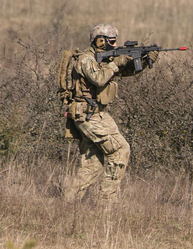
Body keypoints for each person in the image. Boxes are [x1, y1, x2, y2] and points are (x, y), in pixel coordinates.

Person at [63, 23, 158, 203]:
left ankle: (70, 201)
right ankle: (107, 199)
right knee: (121, 149)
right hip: (88, 113)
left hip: (93, 113)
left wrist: (144, 61)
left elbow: (122, 72)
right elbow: (100, 79)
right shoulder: (86, 59)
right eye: (112, 42)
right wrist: (116, 62)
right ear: (100, 41)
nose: (115, 46)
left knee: (93, 162)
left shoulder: (102, 60)